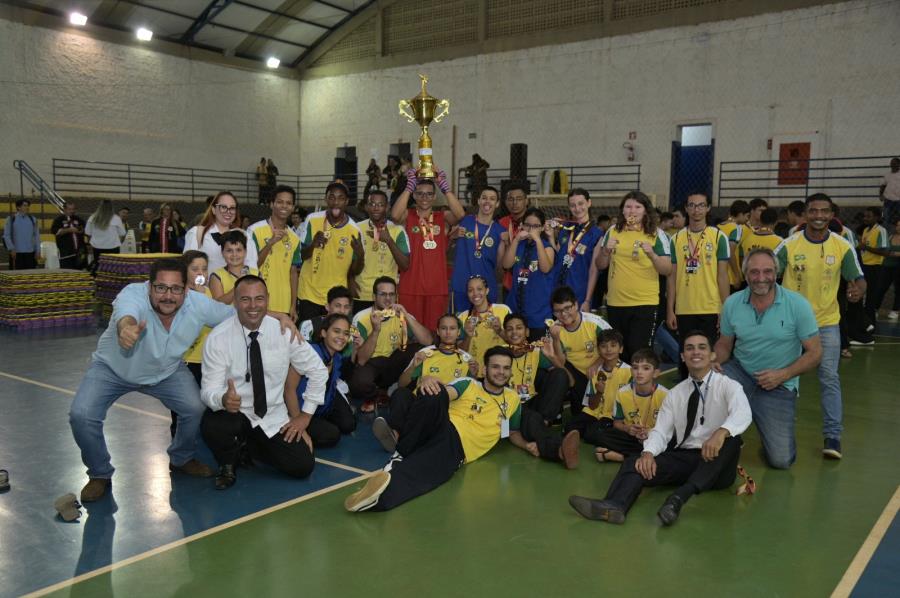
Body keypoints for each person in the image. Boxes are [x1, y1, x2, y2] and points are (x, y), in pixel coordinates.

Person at [69, 259, 234, 502]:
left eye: (175, 289)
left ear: (186, 289)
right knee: (81, 415)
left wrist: (279, 318)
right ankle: (99, 473)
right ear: (149, 287)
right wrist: (126, 328)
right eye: (160, 288)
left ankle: (181, 458)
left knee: (194, 407)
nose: (168, 296)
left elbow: (237, 316)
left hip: (165, 372)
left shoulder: (198, 304)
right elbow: (126, 315)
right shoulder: (133, 294)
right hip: (113, 369)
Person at [346, 347, 571, 512]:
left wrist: (527, 445)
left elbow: (510, 433)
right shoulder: (469, 384)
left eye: (505, 368)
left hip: (457, 448)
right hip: (440, 425)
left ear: (510, 372)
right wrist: (428, 380)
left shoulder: (512, 400)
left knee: (423, 474)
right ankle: (403, 449)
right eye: (495, 367)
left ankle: (375, 500)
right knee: (433, 394)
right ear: (485, 368)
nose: (500, 372)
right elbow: (446, 394)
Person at [569, 330, 752, 526]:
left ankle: (677, 499)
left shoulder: (729, 386)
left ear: (712, 355)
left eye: (702, 347)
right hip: (687, 459)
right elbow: (661, 431)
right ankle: (613, 506)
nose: (695, 352)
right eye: (689, 348)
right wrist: (648, 453)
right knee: (636, 462)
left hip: (719, 467)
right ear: (682, 356)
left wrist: (721, 432)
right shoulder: (676, 394)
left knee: (732, 439)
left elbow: (743, 414)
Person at [200, 275, 327, 489]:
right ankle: (227, 464)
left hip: (273, 415)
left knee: (302, 466)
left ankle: (247, 447)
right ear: (235, 301)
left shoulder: (284, 331)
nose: (252, 306)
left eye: (259, 299)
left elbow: (318, 370)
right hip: (236, 414)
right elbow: (207, 391)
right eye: (245, 299)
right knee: (213, 423)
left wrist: (304, 417)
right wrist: (222, 398)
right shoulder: (218, 338)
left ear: (268, 299)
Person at [774, 194, 866, 459]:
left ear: (831, 214)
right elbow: (768, 273)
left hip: (826, 325)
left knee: (829, 379)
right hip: (790, 325)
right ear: (805, 213)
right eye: (813, 211)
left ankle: (833, 437)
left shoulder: (842, 246)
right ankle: (780, 432)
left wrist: (858, 291)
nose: (819, 216)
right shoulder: (788, 245)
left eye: (824, 211)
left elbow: (858, 278)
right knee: (786, 379)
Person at [714, 248, 823, 468]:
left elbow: (815, 353)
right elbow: (725, 344)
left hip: (779, 384)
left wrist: (783, 375)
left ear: (776, 273)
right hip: (741, 373)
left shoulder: (797, 305)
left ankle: (761, 427)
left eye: (767, 271)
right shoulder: (732, 304)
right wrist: (712, 361)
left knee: (781, 461)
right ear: (745, 275)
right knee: (709, 381)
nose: (761, 278)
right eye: (754, 272)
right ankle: (727, 435)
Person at [596, 191, 672, 361]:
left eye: (638, 207)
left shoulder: (656, 233)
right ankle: (623, 387)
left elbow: (667, 269)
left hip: (645, 303)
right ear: (622, 210)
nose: (632, 210)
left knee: (640, 354)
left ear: (645, 211)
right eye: (628, 206)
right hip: (616, 303)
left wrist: (652, 255)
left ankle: (640, 387)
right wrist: (606, 251)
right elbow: (600, 265)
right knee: (619, 355)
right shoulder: (613, 231)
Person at [666, 192, 730, 379]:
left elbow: (723, 276)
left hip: (710, 307)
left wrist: (724, 309)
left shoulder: (718, 237)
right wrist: (671, 309)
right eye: (692, 205)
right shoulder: (676, 239)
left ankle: (709, 399)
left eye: (701, 205)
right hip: (684, 309)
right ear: (686, 208)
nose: (696, 210)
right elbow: (671, 277)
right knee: (686, 358)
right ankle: (686, 401)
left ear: (708, 208)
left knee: (709, 357)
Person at [390, 170, 466, 326]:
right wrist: (409, 186)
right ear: (414, 196)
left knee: (434, 331)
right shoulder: (408, 216)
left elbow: (460, 215)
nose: (424, 198)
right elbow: (395, 215)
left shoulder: (442, 217)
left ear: (434, 196)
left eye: (429, 194)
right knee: (409, 332)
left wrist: (444, 186)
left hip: (436, 287)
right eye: (420, 194)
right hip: (410, 285)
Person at [351, 276, 434, 413]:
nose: (388, 299)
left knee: (421, 350)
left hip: (394, 363)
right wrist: (376, 330)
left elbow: (428, 341)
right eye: (383, 294)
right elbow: (361, 359)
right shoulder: (361, 317)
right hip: (371, 363)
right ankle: (379, 394)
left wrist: (406, 315)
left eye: (391, 294)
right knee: (358, 384)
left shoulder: (401, 315)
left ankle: (390, 390)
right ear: (374, 296)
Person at [286, 313, 356, 448]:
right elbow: (289, 388)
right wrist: (297, 420)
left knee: (349, 424)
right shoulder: (308, 352)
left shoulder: (336, 358)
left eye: (346, 333)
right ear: (323, 333)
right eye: (336, 331)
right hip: (298, 409)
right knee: (331, 435)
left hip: (321, 407)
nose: (341, 337)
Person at [297, 181, 364, 321]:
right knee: (308, 340)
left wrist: (360, 256)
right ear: (326, 199)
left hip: (336, 299)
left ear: (346, 201)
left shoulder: (354, 230)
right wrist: (313, 245)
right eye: (332, 197)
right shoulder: (312, 220)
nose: (336, 202)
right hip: (309, 294)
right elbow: (301, 256)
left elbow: (356, 270)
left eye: (340, 198)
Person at [591, 348, 668, 463]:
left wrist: (650, 432)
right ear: (631, 371)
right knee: (600, 434)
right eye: (635, 368)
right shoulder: (622, 393)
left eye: (646, 368)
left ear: (656, 373)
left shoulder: (666, 395)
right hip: (632, 437)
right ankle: (642, 457)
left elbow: (670, 428)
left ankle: (622, 457)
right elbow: (617, 423)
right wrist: (627, 429)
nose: (639, 372)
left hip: (656, 437)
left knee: (673, 443)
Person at [547, 286, 612, 416]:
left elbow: (614, 350)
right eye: (558, 311)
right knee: (557, 372)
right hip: (576, 374)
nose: (564, 314)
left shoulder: (595, 322)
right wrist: (555, 339)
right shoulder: (554, 329)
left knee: (602, 410)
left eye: (567, 308)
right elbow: (560, 362)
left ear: (576, 304)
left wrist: (596, 364)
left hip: (599, 366)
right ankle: (555, 414)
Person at [563, 329, 632, 450]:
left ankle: (599, 432)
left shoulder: (629, 372)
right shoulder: (595, 372)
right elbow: (592, 405)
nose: (609, 349)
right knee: (569, 427)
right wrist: (599, 392)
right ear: (599, 350)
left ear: (621, 349)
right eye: (604, 346)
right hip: (594, 413)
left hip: (612, 416)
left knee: (592, 434)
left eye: (613, 345)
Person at [503, 313, 569, 424]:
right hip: (510, 405)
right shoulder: (498, 353)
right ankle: (534, 424)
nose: (514, 332)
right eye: (510, 329)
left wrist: (551, 356)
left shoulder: (536, 349)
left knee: (559, 374)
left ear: (527, 332)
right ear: (505, 333)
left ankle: (543, 421)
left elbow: (568, 380)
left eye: (519, 328)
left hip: (533, 402)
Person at [247, 185, 302, 319]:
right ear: (271, 204)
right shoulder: (254, 231)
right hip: (258, 302)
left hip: (284, 304)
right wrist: (270, 243)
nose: (284, 206)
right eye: (280, 202)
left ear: (293, 207)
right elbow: (250, 266)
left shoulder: (294, 238)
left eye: (288, 203)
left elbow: (293, 273)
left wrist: (293, 305)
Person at [502, 207, 556, 339]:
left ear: (542, 228)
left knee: (537, 352)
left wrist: (538, 240)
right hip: (516, 310)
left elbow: (545, 268)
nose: (531, 229)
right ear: (521, 225)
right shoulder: (518, 245)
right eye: (527, 225)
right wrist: (515, 240)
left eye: (535, 226)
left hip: (538, 313)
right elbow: (506, 264)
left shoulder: (547, 247)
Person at [353, 190, 410, 313]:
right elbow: (348, 264)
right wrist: (350, 280)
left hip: (387, 295)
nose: (376, 208)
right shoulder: (356, 228)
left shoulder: (397, 230)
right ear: (366, 206)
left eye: (380, 204)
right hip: (362, 293)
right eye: (372, 204)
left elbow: (405, 265)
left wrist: (389, 241)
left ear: (387, 207)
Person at [548, 189, 605, 312]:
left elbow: (594, 270)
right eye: (572, 205)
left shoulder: (597, 234)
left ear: (589, 203)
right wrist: (550, 236)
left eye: (581, 203)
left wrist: (588, 300)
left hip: (579, 292)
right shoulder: (565, 228)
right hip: (557, 289)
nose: (577, 208)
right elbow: (558, 257)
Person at [449, 186, 505, 311]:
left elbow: (500, 268)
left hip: (485, 289)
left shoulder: (500, 232)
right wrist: (452, 237)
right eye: (484, 198)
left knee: (484, 328)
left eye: (492, 199)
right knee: (459, 326)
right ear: (478, 200)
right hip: (460, 286)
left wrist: (506, 244)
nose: (487, 202)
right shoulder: (465, 221)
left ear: (497, 204)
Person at [396, 313, 476, 391]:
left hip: (451, 402)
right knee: (401, 394)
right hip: (423, 401)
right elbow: (401, 384)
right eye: (444, 328)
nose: (448, 332)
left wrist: (473, 375)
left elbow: (471, 391)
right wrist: (413, 366)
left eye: (452, 328)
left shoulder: (467, 359)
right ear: (438, 331)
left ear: (458, 332)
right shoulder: (425, 353)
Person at [184, 191, 257, 273]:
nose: (228, 211)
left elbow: (251, 266)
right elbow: (189, 268)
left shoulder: (245, 236)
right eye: (223, 207)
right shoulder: (197, 233)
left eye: (232, 208)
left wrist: (241, 281)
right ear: (214, 210)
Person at [858, 206, 889, 327]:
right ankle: (864, 323)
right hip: (864, 266)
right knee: (862, 298)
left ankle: (871, 325)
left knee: (870, 298)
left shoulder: (881, 230)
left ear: (876, 217)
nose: (865, 218)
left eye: (868, 216)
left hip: (875, 268)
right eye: (864, 216)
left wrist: (866, 247)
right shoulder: (866, 230)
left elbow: (885, 251)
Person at [209, 231, 260, 305]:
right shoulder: (216, 276)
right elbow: (218, 306)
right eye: (229, 250)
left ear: (245, 252)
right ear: (222, 253)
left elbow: (260, 303)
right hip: (227, 317)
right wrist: (239, 285)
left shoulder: (256, 274)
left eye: (238, 250)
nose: (234, 254)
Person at [498, 182, 530, 294]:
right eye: (511, 199)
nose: (514, 203)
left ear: (526, 201)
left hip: (531, 280)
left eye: (519, 199)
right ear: (506, 202)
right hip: (509, 282)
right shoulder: (501, 223)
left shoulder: (534, 222)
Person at [718, 200, 751, 292]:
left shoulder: (718, 226)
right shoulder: (737, 228)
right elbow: (730, 252)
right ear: (740, 214)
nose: (747, 220)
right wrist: (737, 275)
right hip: (730, 277)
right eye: (747, 216)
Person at [85, 200, 126, 275]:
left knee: (99, 266)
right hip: (113, 247)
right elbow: (122, 233)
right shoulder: (116, 218)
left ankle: (98, 283)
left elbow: (87, 232)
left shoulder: (92, 218)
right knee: (113, 267)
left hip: (97, 247)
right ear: (111, 208)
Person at [4, 199, 40, 270]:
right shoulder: (11, 219)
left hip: (30, 253)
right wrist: (11, 249)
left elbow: (36, 236)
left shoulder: (33, 219)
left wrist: (38, 250)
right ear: (18, 207)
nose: (27, 207)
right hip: (16, 253)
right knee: (16, 277)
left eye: (28, 206)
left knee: (30, 276)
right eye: (25, 205)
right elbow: (6, 235)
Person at [52, 200, 86, 270]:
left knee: (79, 272)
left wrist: (81, 230)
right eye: (69, 209)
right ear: (64, 209)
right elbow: (55, 231)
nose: (72, 211)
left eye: (73, 209)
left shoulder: (78, 219)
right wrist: (69, 230)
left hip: (79, 252)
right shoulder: (59, 220)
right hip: (66, 253)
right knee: (67, 272)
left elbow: (84, 229)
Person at [883, 218, 900, 321]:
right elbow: (885, 251)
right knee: (881, 288)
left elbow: (890, 253)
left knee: (898, 290)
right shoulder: (891, 236)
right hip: (887, 266)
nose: (898, 227)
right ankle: (875, 308)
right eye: (897, 225)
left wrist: (894, 254)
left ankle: (895, 310)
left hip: (898, 267)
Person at [879, 157, 900, 230]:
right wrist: (881, 195)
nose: (893, 165)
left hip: (899, 200)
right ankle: (886, 233)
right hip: (888, 200)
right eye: (891, 164)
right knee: (886, 218)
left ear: (899, 165)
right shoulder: (887, 175)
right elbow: (883, 186)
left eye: (894, 164)